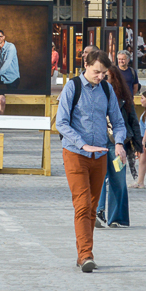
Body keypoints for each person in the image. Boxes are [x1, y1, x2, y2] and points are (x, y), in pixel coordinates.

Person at [54, 48, 128, 272]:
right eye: (97, 72)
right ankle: (85, 255)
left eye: (104, 73)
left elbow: (118, 121)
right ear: (86, 65)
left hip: (101, 155)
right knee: (83, 204)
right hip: (76, 154)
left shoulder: (106, 89)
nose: (100, 77)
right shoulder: (72, 87)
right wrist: (82, 143)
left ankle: (84, 253)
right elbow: (61, 123)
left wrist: (118, 142)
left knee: (93, 207)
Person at [97, 68, 140, 228]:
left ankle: (116, 217)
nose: (101, 78)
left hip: (118, 143)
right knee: (99, 177)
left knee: (119, 180)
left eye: (106, 76)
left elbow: (133, 120)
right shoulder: (95, 95)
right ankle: (98, 211)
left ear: (114, 79)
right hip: (99, 143)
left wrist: (138, 144)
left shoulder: (124, 98)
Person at [0, 29, 20, 114]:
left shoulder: (11, 47)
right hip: (2, 77)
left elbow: (7, 63)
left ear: (4, 37)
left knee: (8, 99)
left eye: (0, 36)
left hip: (12, 78)